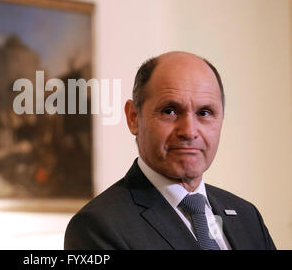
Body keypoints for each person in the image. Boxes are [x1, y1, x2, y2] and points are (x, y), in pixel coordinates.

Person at [64, 51, 276, 250]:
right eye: (170, 111)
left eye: (204, 112)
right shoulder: (98, 226)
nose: (189, 131)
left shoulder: (247, 216)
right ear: (133, 118)